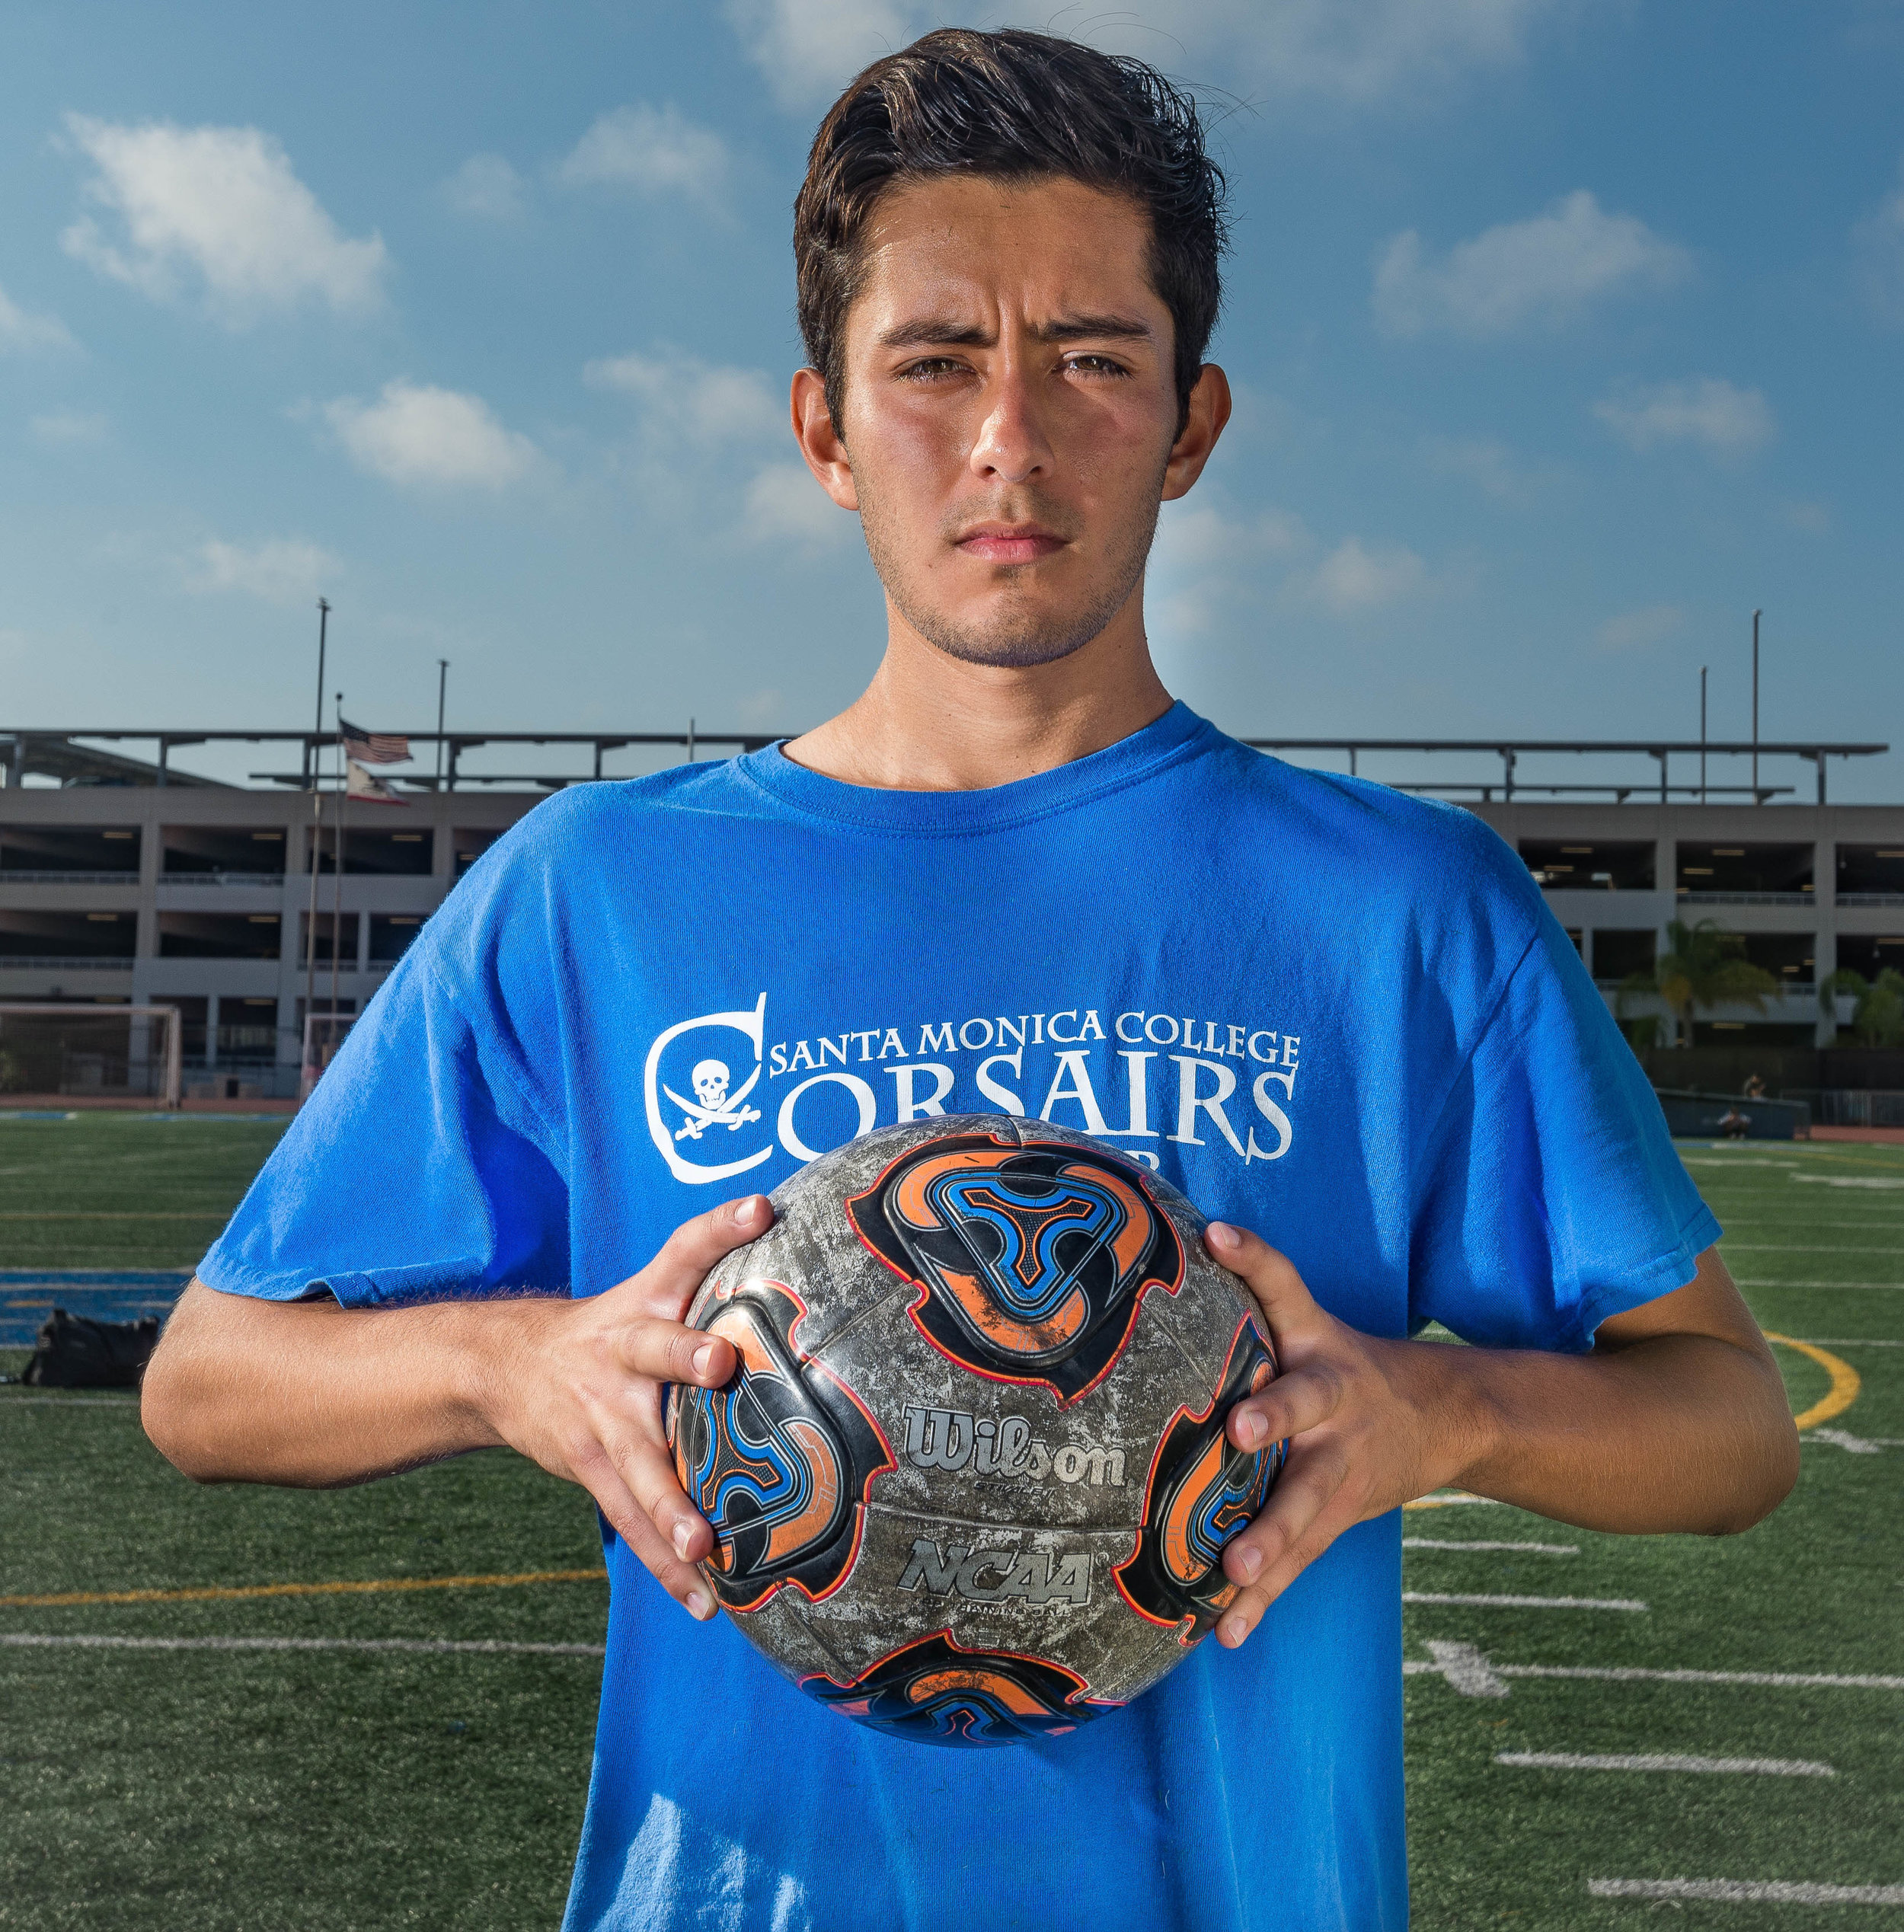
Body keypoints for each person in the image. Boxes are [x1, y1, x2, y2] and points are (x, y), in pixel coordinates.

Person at [142, 29, 1798, 1932]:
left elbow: (1730, 1428)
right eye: (933, 361)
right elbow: (207, 1382)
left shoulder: (1406, 912)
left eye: (1090, 358)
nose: (1009, 433)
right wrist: (511, 1361)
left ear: (1188, 423)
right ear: (825, 428)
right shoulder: (595, 894)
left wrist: (1451, 1411)